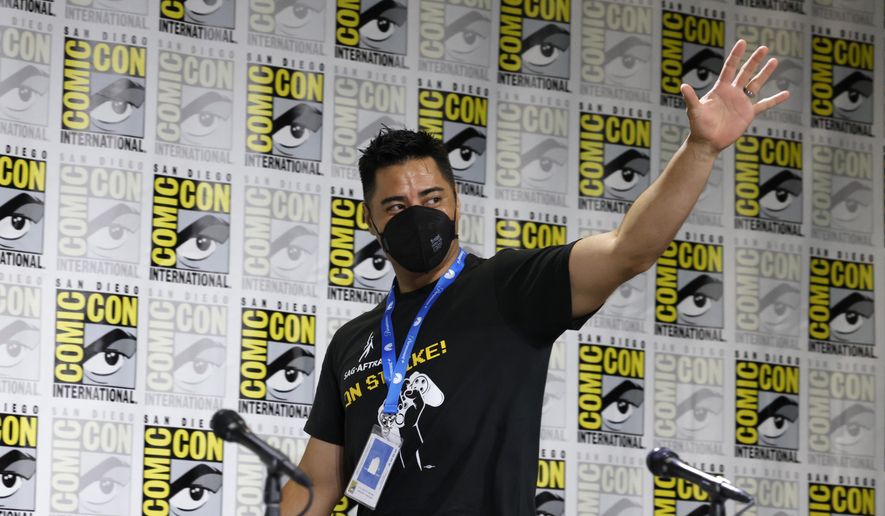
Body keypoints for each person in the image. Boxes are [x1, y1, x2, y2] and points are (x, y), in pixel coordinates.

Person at [281, 40, 789, 515]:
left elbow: (628, 250)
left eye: (432, 199)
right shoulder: (352, 342)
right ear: (370, 220)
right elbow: (318, 482)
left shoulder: (508, 286)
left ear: (456, 203)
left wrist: (700, 148)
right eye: (396, 206)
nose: (417, 214)